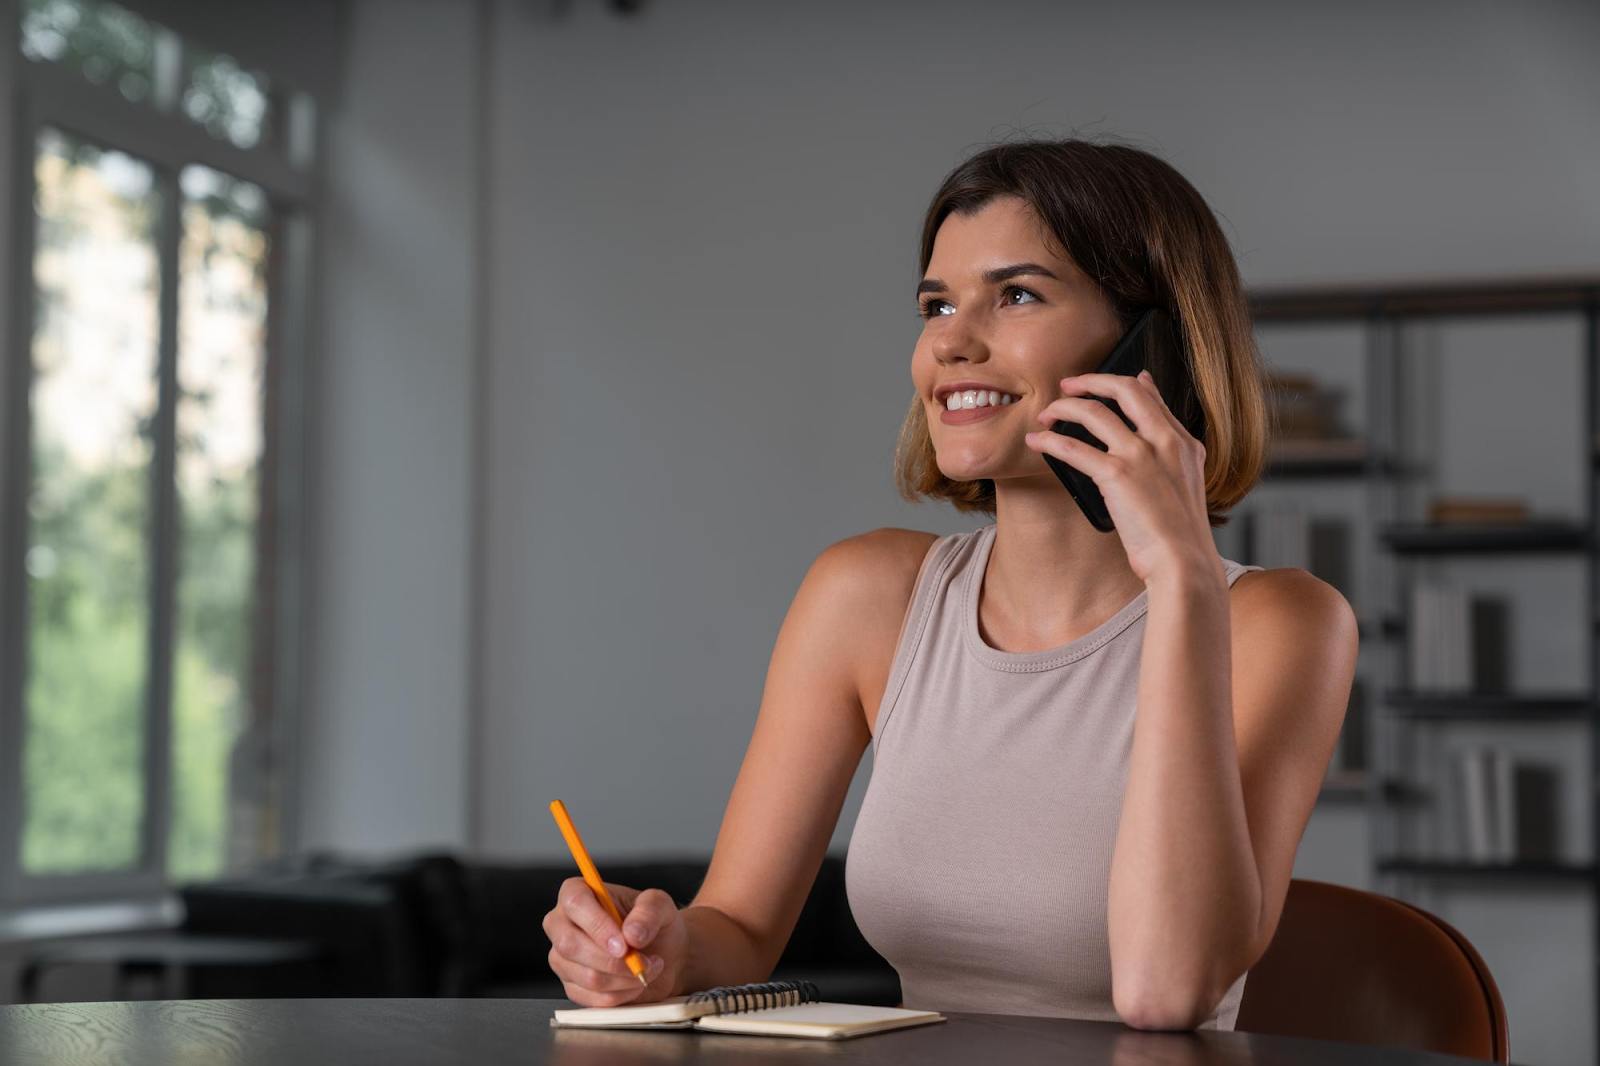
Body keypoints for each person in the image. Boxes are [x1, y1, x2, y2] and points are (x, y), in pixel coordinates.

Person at [541, 136, 1359, 1032]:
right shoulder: (863, 595)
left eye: (1015, 295)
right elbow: (738, 927)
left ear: (1150, 345)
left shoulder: (1280, 624)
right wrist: (658, 953)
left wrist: (1182, 578)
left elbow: (1168, 993)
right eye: (936, 305)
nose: (951, 343)